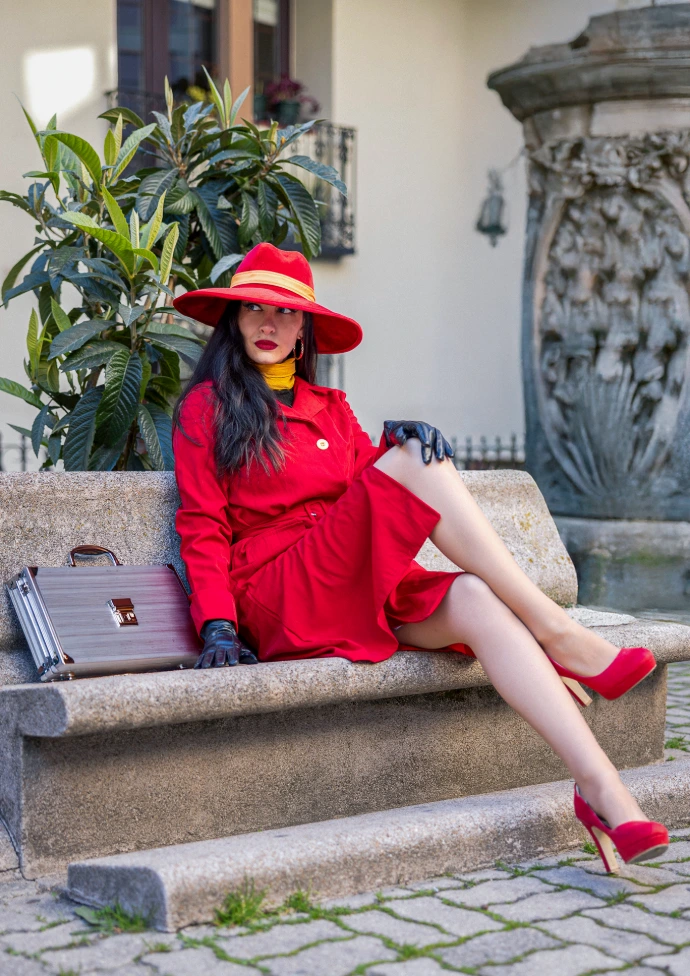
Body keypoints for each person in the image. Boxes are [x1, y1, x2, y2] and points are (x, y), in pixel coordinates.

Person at [172, 242, 668, 875]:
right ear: (233, 321)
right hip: (282, 593)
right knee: (416, 462)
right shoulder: (208, 408)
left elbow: (361, 490)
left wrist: (392, 444)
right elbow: (203, 525)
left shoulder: (331, 410)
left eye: (285, 313)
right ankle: (562, 633)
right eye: (253, 310)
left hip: (351, 584)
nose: (268, 324)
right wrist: (217, 621)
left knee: (474, 599)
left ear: (305, 330)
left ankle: (604, 793)